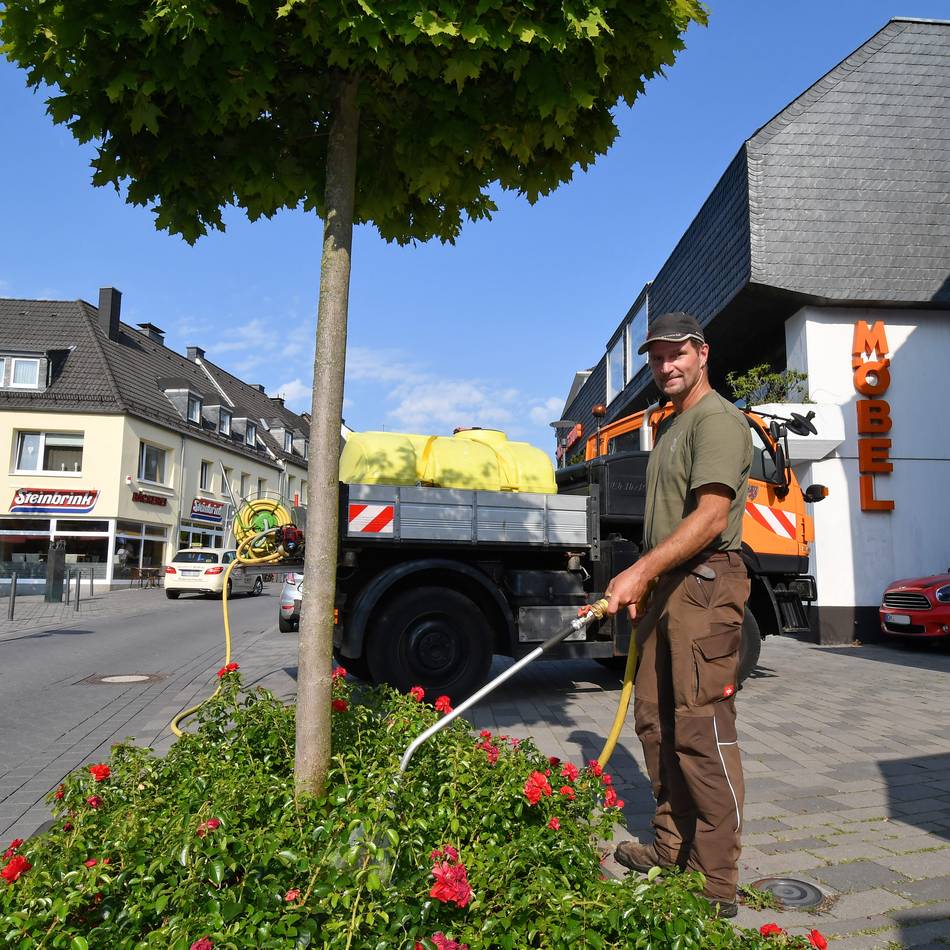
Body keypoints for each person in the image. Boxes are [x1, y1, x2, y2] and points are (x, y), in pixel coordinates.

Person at [606, 311, 753, 918]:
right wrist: (649, 575)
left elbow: (711, 518)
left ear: (702, 354)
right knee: (655, 723)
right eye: (656, 356)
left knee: (700, 732)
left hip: (706, 586)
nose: (665, 365)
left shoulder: (717, 420)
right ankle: (672, 846)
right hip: (668, 589)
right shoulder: (672, 425)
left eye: (676, 354)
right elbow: (669, 520)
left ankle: (716, 882)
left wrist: (640, 570)